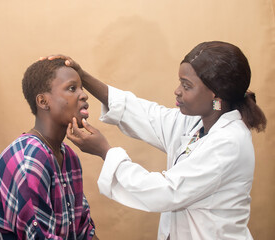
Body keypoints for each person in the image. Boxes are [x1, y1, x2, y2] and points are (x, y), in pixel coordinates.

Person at [50, 41, 267, 240]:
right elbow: (148, 116)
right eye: (179, 82)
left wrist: (105, 151)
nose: (177, 91)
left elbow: (166, 191)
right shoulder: (199, 123)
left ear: (216, 97)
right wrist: (83, 76)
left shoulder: (229, 142)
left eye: (187, 85)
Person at [0, 59, 98, 239]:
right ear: (43, 101)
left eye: (82, 88)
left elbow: (84, 231)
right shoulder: (29, 160)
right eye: (72, 88)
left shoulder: (69, 158)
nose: (84, 95)